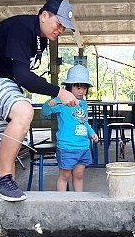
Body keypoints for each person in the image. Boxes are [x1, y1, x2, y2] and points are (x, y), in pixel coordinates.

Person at [0, 0, 79, 201]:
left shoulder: (41, 39)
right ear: (44, 15)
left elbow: (20, 75)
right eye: (59, 24)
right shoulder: (22, 28)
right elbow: (23, 76)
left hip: (5, 83)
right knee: (24, 111)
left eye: (64, 28)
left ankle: (4, 187)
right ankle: (3, 180)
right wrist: (59, 92)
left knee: (11, 139)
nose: (60, 30)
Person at [40, 64, 99, 192]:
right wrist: (49, 103)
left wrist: (91, 133)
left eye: (84, 88)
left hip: (83, 146)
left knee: (79, 175)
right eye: (78, 88)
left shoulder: (83, 103)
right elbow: (44, 112)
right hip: (67, 147)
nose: (81, 91)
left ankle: (79, 201)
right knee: (65, 175)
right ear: (69, 87)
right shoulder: (60, 102)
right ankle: (62, 202)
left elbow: (84, 122)